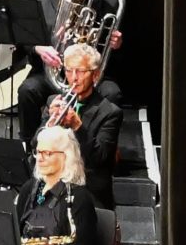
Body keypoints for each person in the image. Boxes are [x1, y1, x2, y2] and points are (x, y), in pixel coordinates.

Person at [22, 125, 106, 245]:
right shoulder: (29, 189)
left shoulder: (80, 198)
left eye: (47, 153)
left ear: (66, 156)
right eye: (38, 152)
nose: (40, 158)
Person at [38, 43, 125, 206]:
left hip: (89, 191)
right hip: (56, 185)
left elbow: (99, 159)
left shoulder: (110, 112)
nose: (74, 78)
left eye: (80, 71)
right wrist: (49, 123)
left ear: (95, 75)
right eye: (69, 70)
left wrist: (78, 127)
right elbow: (35, 145)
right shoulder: (54, 102)